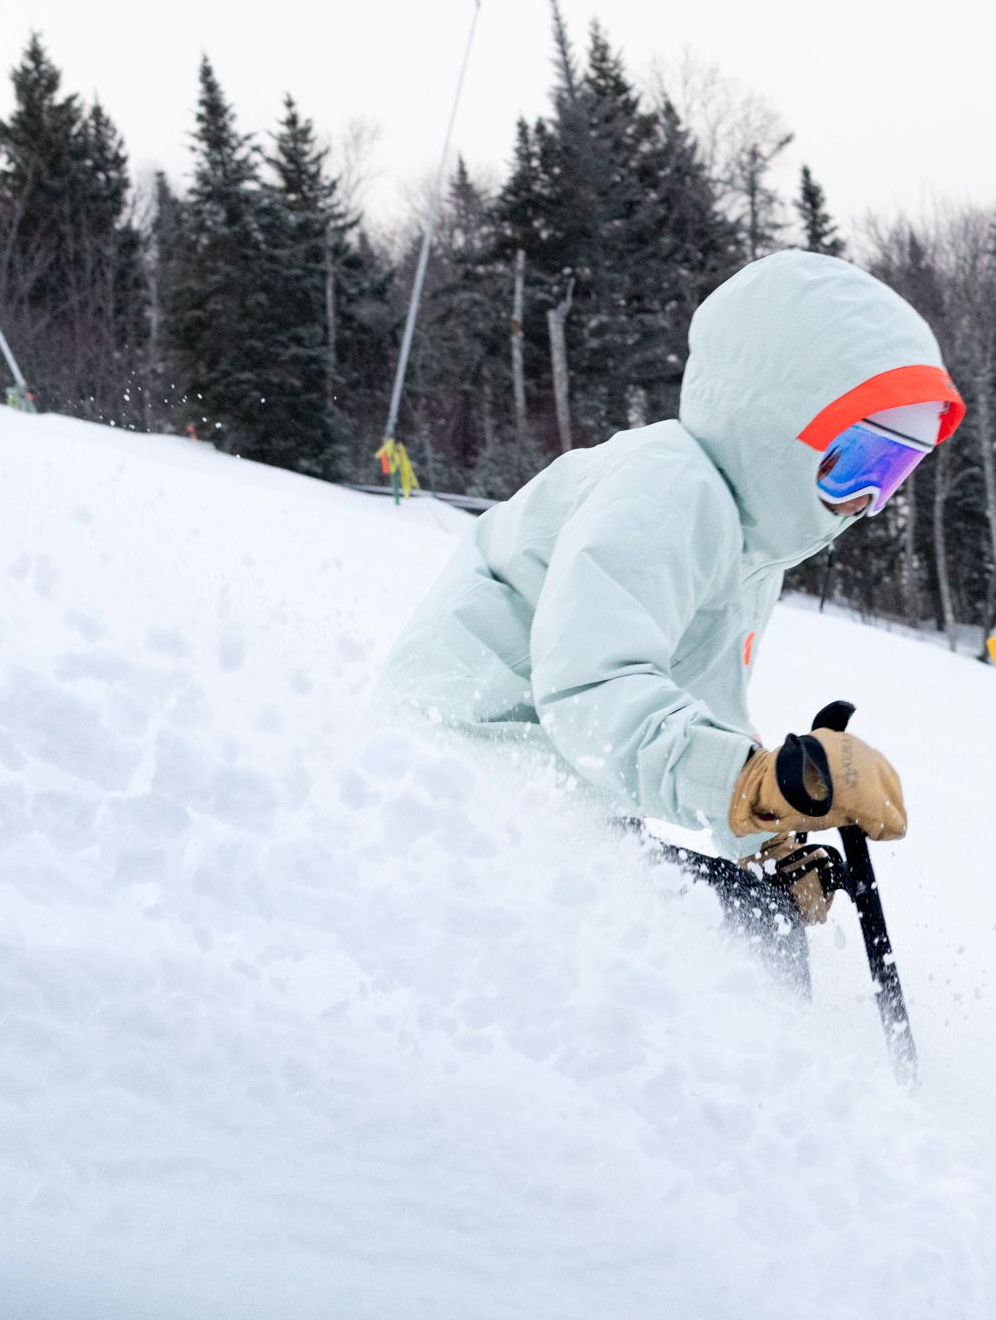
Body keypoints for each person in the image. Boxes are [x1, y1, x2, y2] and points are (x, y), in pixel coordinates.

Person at [377, 251, 962, 983]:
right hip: (453, 778)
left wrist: (762, 828)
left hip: (539, 797)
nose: (867, 502)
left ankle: (730, 1080)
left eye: (893, 475)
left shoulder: (746, 548)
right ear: (781, 424)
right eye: (858, 463)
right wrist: (750, 784)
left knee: (746, 915)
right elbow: (591, 688)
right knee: (740, 931)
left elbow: (696, 711)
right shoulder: (668, 486)